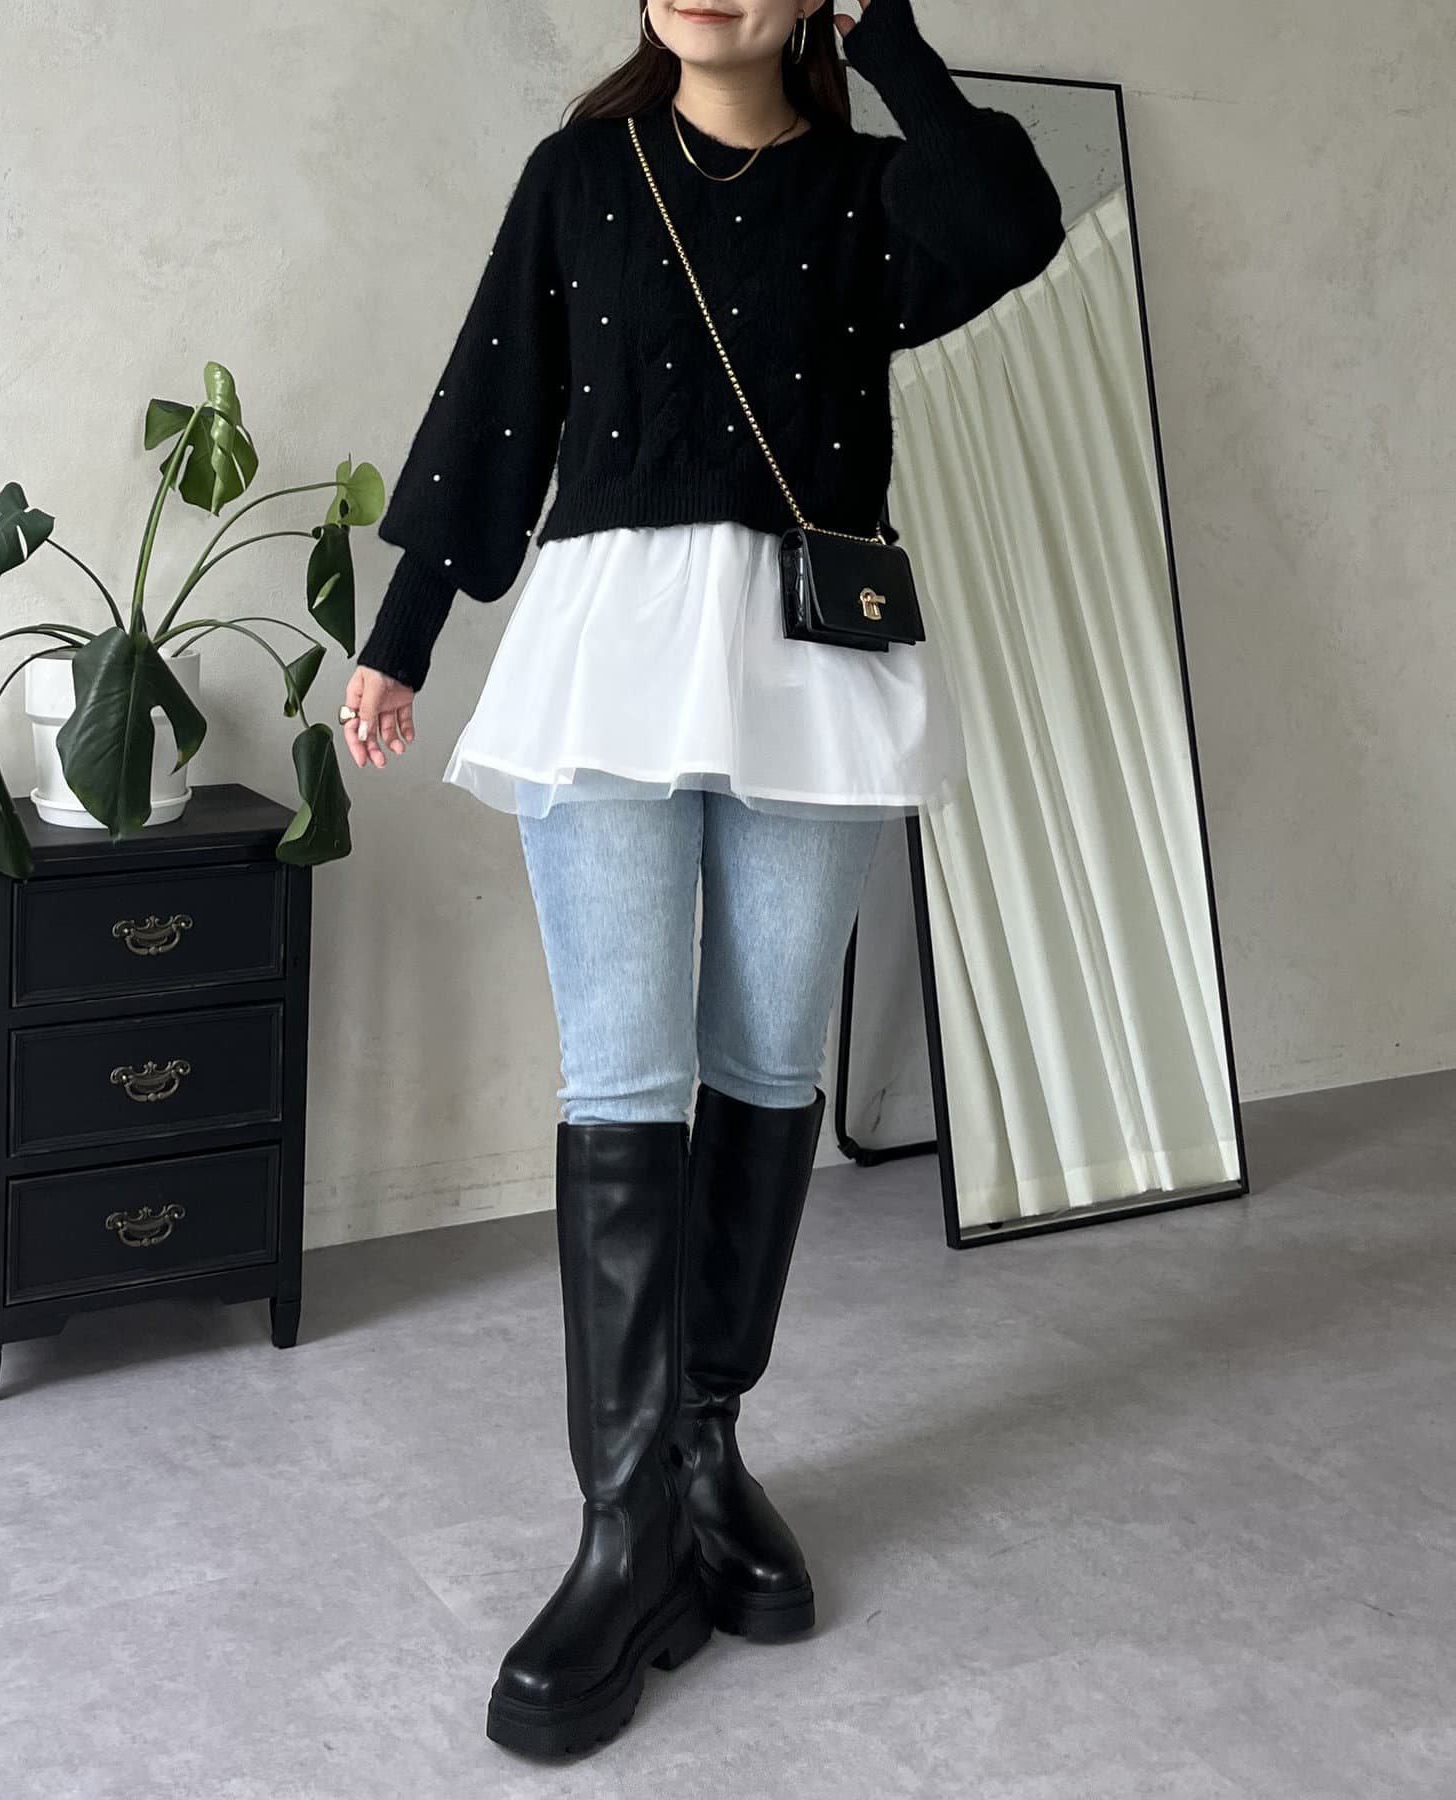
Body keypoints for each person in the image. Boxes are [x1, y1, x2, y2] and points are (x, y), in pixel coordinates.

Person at [342, 0, 1064, 1760]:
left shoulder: (874, 198)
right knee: (622, 1076)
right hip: (606, 657)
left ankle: (703, 1450)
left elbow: (1012, 225)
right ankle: (623, 1536)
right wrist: (403, 634)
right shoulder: (580, 176)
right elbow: (492, 402)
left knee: (765, 1066)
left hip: (811, 666)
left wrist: (891, 34)